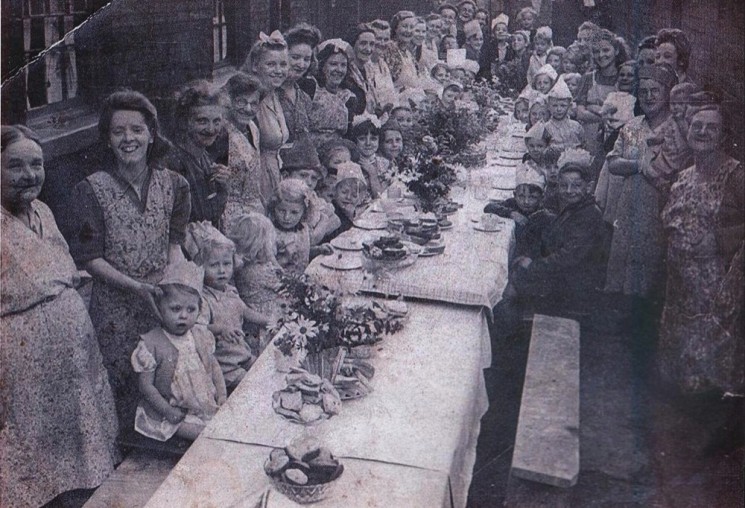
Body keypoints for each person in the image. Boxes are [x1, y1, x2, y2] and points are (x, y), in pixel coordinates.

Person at [1, 125, 119, 507]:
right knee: (29, 461)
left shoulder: (42, 211)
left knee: (81, 452)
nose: (29, 175)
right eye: (14, 166)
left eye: (36, 164)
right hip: (20, 366)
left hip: (73, 355)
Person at [70, 90, 191, 428]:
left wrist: (174, 288)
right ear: (107, 140)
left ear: (152, 134)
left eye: (137, 130)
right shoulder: (90, 189)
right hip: (114, 309)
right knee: (122, 390)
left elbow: (174, 244)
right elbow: (90, 259)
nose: (128, 138)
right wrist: (137, 287)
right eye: (118, 131)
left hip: (161, 303)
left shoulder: (174, 185)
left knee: (165, 388)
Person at [658, 94, 743, 448]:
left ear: (724, 135)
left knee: (714, 357)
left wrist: (720, 240)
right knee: (684, 357)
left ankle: (718, 436)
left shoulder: (736, 175)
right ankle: (688, 428)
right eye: (697, 126)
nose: (703, 132)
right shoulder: (685, 174)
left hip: (719, 287)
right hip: (680, 288)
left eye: (712, 127)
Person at [604, 64, 677, 307]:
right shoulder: (632, 126)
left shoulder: (675, 129)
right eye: (643, 91)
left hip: (659, 208)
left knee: (653, 271)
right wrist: (640, 166)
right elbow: (613, 162)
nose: (649, 97)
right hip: (630, 206)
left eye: (655, 91)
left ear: (667, 93)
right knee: (626, 273)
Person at [130, 260, 227, 442]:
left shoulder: (200, 335)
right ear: (160, 308)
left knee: (225, 426)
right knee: (207, 436)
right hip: (169, 413)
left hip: (202, 405)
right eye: (175, 309)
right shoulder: (151, 343)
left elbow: (214, 367)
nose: (184, 315)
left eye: (191, 309)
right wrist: (167, 411)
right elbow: (146, 386)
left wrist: (222, 396)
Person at [185, 222, 270, 389]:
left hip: (241, 354)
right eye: (214, 265)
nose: (222, 270)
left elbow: (245, 311)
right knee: (253, 386)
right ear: (201, 267)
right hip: (224, 365)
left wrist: (269, 320)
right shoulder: (203, 298)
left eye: (226, 264)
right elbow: (198, 328)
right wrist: (221, 329)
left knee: (265, 372)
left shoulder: (230, 291)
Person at [167, 80, 230, 228]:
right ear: (184, 121)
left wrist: (223, 187)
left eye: (216, 121)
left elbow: (213, 213)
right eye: (202, 121)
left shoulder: (205, 158)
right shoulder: (174, 163)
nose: (211, 129)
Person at [242, 31, 290, 204]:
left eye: (283, 64)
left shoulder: (275, 94)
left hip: (274, 172)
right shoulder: (251, 102)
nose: (279, 71)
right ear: (255, 65)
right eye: (271, 64)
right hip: (258, 178)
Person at [231, 212, 284, 353]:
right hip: (265, 321)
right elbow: (285, 282)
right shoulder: (260, 271)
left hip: (252, 320)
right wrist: (272, 257)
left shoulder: (245, 267)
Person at [219, 73, 266, 231]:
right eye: (241, 102)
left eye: (254, 103)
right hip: (229, 214)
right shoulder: (221, 134)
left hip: (254, 210)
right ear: (229, 101)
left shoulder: (253, 127)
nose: (248, 109)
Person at [484, 164, 555, 260]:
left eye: (532, 197)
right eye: (521, 196)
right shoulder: (513, 204)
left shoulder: (545, 217)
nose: (526, 201)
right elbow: (489, 207)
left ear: (542, 198)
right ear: (514, 195)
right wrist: (511, 213)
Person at [575, 29, 629, 155]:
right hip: (590, 140)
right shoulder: (588, 78)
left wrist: (593, 108)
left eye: (605, 50)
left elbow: (622, 115)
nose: (601, 55)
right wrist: (604, 114)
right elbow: (580, 113)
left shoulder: (624, 78)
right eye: (596, 51)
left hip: (615, 139)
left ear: (616, 50)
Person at [279, 138, 341, 244]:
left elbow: (336, 221)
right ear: (286, 176)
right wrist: (324, 220)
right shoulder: (284, 200)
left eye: (314, 178)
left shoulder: (311, 196)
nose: (309, 182)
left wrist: (322, 224)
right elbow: (308, 240)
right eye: (303, 175)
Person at [269, 178, 330, 274]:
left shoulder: (303, 229)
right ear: (273, 207)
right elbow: (269, 265)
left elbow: (303, 252)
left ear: (304, 212)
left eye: (294, 212)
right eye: (281, 210)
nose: (287, 217)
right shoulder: (271, 233)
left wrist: (318, 250)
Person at [308, 38, 357, 148]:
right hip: (309, 152)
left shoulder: (348, 97)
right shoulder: (311, 88)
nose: (339, 70)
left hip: (337, 152)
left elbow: (348, 136)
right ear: (322, 66)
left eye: (343, 65)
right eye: (333, 64)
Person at [280, 23, 319, 142]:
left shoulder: (304, 96)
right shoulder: (270, 92)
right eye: (295, 57)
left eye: (306, 59)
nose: (301, 65)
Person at [321, 162, 369, 243]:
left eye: (354, 195)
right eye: (344, 192)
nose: (348, 197)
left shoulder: (352, 210)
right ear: (335, 191)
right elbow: (339, 237)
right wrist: (349, 216)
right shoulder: (330, 210)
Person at [352, 113, 393, 198]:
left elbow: (380, 197)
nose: (368, 143)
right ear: (355, 141)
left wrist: (372, 173)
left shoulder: (385, 164)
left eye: (373, 139)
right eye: (362, 139)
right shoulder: (351, 162)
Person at [367, 19, 399, 113]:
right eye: (378, 39)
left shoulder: (383, 64)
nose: (382, 43)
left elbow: (391, 94)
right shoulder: (366, 65)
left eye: (386, 40)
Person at [345, 25, 378, 115]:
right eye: (363, 43)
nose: (368, 49)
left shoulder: (370, 71)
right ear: (353, 44)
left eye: (372, 44)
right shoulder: (346, 71)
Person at [543, 77, 584, 150]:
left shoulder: (576, 126)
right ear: (549, 106)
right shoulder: (546, 128)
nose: (559, 109)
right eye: (555, 105)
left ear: (569, 106)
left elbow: (583, 144)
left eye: (563, 105)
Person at [383, 10, 420, 90]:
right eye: (405, 26)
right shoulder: (389, 49)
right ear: (396, 28)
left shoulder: (408, 53)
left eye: (412, 27)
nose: (408, 31)